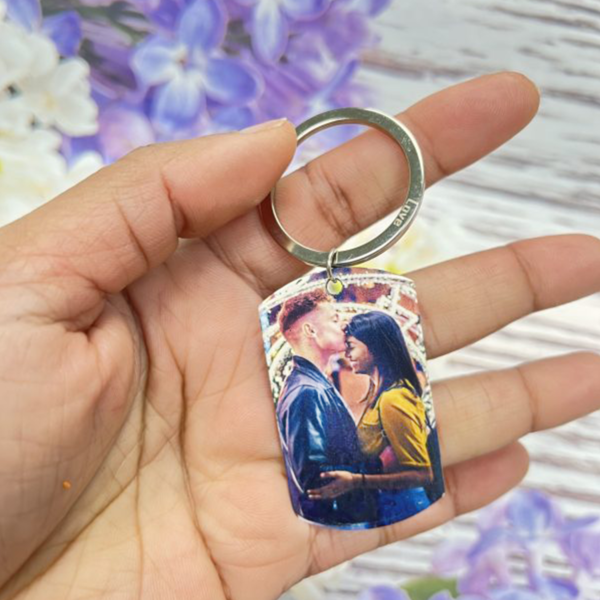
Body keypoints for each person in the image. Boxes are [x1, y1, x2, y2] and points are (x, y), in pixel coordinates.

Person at [1, 72, 599, 600]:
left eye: (353, 335)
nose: (345, 337)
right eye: (339, 327)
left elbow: (407, 468)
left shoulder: (387, 398)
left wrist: (356, 479)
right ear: (308, 326)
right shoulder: (325, 389)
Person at [307, 311, 435, 525]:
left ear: (375, 348)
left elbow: (422, 474)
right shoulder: (379, 393)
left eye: (351, 346)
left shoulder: (393, 399)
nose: (347, 354)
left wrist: (356, 481)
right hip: (389, 507)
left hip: (404, 508)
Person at [275, 288, 378, 526]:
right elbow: (316, 478)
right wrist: (375, 464)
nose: (344, 325)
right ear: (310, 330)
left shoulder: (314, 384)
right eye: (334, 319)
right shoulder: (307, 391)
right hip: (343, 521)